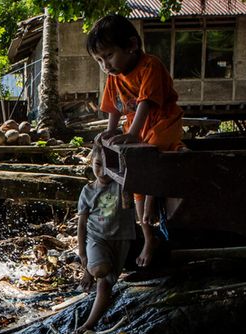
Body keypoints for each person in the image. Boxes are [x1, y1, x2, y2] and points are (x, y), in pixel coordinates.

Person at [86, 14, 183, 267]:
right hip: (137, 127)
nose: (105, 64)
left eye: (108, 56)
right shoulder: (114, 77)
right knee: (135, 183)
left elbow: (146, 104)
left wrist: (131, 135)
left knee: (152, 153)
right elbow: (114, 109)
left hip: (162, 122)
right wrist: (110, 133)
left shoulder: (150, 66)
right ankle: (148, 237)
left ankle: (152, 196)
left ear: (131, 45)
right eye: (99, 60)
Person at [76, 142, 136, 333]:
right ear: (90, 163)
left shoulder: (121, 185)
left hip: (122, 238)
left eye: (107, 166)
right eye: (97, 165)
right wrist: (83, 256)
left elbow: (130, 199)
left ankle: (89, 324)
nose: (102, 171)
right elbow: (82, 225)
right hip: (97, 238)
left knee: (106, 284)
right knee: (100, 270)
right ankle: (91, 270)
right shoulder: (87, 191)